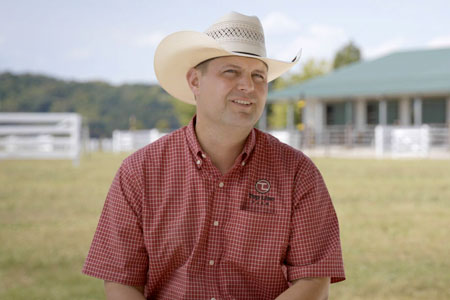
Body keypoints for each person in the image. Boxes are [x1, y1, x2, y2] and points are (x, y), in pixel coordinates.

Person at [83, 11, 345, 300]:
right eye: (231, 71)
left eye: (259, 75)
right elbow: (121, 282)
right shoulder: (139, 172)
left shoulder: (298, 173)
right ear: (195, 81)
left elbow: (313, 281)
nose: (248, 85)